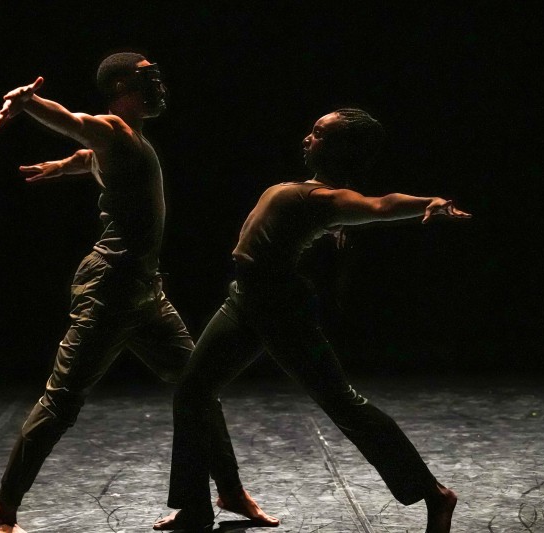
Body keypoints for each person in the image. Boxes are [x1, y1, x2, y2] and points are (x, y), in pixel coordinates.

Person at [0, 53, 276, 533]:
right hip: (109, 289)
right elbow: (75, 123)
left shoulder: (128, 140)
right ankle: (4, 513)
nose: (158, 85)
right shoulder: (112, 129)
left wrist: (61, 167)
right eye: (147, 78)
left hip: (146, 292)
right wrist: (30, 103)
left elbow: (90, 156)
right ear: (121, 86)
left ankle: (227, 492)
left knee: (198, 388)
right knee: (61, 403)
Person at [155, 109, 469, 533]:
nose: (307, 137)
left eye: (319, 133)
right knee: (193, 392)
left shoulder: (327, 199)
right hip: (244, 300)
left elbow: (380, 205)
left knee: (343, 404)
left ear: (339, 149)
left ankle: (435, 494)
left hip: (280, 310)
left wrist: (426, 203)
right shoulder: (308, 192)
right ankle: (205, 503)